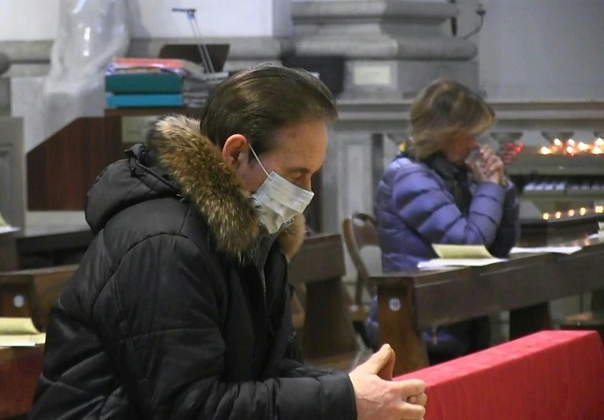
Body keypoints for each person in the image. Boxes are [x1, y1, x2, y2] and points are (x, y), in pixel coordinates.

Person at [30, 64, 426, 419]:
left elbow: (271, 372)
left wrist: (351, 391)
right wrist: (341, 399)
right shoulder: (165, 243)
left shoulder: (256, 234)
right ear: (236, 153)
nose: (307, 192)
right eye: (296, 173)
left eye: (313, 175)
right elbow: (189, 406)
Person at [367, 78, 520, 364]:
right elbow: (469, 242)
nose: (477, 144)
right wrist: (490, 189)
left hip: (453, 314)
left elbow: (497, 248)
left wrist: (501, 188)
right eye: (471, 134)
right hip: (420, 324)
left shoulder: (455, 174)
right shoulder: (410, 177)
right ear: (447, 133)